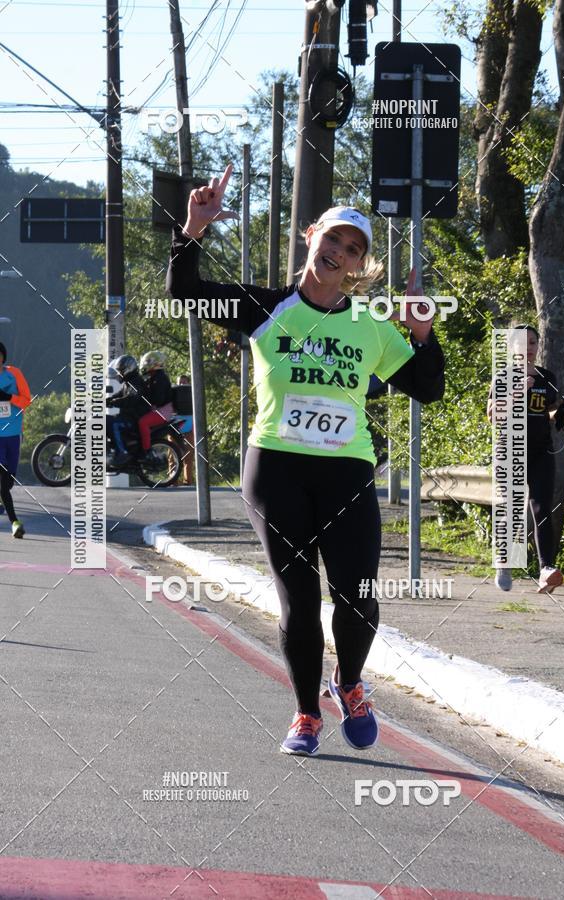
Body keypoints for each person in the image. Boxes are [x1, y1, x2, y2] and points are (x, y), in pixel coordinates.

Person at [166, 164, 445, 756]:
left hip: (345, 473)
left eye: (353, 250)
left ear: (357, 267)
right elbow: (185, 292)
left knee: (358, 593)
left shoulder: (371, 327)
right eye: (334, 239)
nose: (339, 252)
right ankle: (303, 714)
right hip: (276, 470)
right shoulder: (265, 308)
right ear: (311, 235)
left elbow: (426, 386)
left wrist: (423, 335)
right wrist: (192, 230)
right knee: (298, 599)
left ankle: (348, 684)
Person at [487, 324, 564, 594]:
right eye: (522, 343)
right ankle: (504, 563)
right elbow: (494, 416)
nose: (528, 348)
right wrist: (517, 393)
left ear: (538, 346)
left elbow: (547, 411)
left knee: (541, 509)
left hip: (541, 450)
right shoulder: (503, 376)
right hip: (511, 449)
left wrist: (561, 415)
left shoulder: (547, 377)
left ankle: (546, 569)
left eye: (533, 343)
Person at [0, 342, 31, 538]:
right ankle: (15, 522)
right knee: (3, 482)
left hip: (13, 434)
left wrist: (8, 397)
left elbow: (27, 400)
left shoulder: (14, 374)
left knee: (9, 481)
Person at [106, 355, 148, 467]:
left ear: (128, 369)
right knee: (105, 420)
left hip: (135, 418)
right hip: (128, 416)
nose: (119, 373)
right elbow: (120, 394)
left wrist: (114, 402)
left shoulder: (136, 382)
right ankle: (111, 450)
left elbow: (131, 398)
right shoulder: (128, 382)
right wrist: (106, 400)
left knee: (114, 424)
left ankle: (122, 453)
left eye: (120, 371)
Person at [138, 350, 174, 463]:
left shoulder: (160, 378)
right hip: (159, 409)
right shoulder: (153, 377)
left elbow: (159, 399)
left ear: (156, 363)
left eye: (149, 362)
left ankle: (147, 451)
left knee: (143, 422)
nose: (146, 365)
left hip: (164, 411)